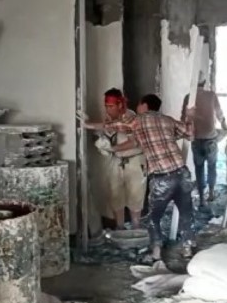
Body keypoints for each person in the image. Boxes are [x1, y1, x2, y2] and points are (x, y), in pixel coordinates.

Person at [112, 93, 196, 262]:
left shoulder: (139, 120)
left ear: (144, 105)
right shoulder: (167, 120)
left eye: (139, 104)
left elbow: (113, 125)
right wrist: (190, 118)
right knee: (186, 212)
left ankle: (156, 253)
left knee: (153, 217)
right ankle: (187, 248)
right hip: (182, 173)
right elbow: (189, 134)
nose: (137, 107)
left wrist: (88, 125)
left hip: (162, 177)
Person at [84, 88, 146, 230]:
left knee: (135, 195)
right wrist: (98, 137)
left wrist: (112, 149)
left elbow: (133, 142)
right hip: (117, 161)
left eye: (111, 106)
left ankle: (136, 227)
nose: (108, 109)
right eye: (106, 106)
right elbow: (105, 130)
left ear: (120, 104)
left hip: (134, 160)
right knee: (115, 195)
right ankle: (120, 227)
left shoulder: (130, 117)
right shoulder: (109, 118)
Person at [182, 73, 227, 205]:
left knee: (199, 168)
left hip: (196, 139)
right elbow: (220, 114)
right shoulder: (211, 95)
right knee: (212, 167)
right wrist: (225, 128)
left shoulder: (189, 97)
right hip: (210, 139)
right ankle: (211, 193)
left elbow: (183, 118)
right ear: (204, 82)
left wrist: (187, 132)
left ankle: (202, 198)